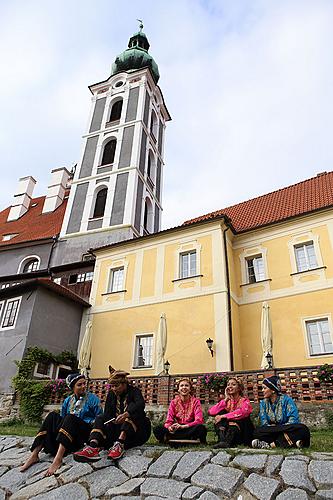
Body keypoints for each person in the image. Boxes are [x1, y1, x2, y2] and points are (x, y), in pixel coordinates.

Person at [20, 373, 102, 475]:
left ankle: (58, 459)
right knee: (52, 416)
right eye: (79, 385)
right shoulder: (68, 400)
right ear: (72, 387)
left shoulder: (93, 399)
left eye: (84, 384)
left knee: (70, 417)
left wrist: (80, 421)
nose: (83, 386)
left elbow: (100, 419)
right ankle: (34, 454)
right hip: (68, 434)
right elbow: (62, 419)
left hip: (83, 434)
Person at [73, 367, 151, 462]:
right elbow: (107, 414)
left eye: (116, 386)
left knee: (133, 412)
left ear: (124, 384)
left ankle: (119, 444)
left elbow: (140, 405)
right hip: (116, 430)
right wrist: (112, 419)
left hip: (136, 432)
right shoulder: (111, 394)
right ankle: (92, 447)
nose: (113, 389)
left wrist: (126, 414)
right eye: (112, 386)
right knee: (101, 417)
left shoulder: (134, 392)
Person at [252, 375, 311, 449]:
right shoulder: (263, 403)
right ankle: (292, 443)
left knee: (302, 429)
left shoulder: (287, 400)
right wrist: (274, 429)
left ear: (273, 390)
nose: (262, 390)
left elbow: (293, 420)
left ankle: (271, 445)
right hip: (273, 431)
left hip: (286, 429)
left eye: (264, 388)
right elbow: (264, 423)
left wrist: (279, 428)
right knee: (257, 432)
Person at [153, 378, 207, 444]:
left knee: (201, 428)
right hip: (177, 430)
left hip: (189, 429)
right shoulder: (173, 402)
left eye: (186, 385)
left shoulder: (195, 401)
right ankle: (167, 439)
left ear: (190, 389)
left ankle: (176, 439)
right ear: (178, 389)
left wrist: (184, 426)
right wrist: (170, 427)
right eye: (181, 386)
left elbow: (199, 420)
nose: (184, 387)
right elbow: (168, 421)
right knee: (157, 428)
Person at [208, 377, 254, 448]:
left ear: (239, 388)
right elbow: (211, 412)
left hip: (243, 431)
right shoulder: (227, 402)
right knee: (220, 414)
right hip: (228, 429)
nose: (230, 386)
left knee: (228, 418)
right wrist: (225, 399)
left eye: (233, 384)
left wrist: (224, 416)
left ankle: (226, 442)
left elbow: (243, 412)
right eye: (228, 384)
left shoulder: (245, 401)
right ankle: (223, 441)